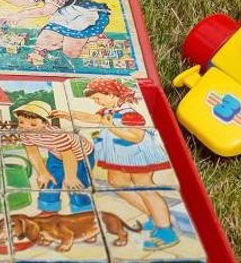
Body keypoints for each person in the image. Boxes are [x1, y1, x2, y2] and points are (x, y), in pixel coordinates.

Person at [55, 77, 177, 250]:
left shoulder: (130, 113)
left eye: (98, 98)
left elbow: (137, 137)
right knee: (116, 184)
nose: (96, 102)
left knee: (145, 188)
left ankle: (166, 231)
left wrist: (111, 127)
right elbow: (92, 118)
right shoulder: (108, 111)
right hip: (120, 155)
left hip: (137, 154)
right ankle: (154, 216)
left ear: (111, 94)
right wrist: (69, 114)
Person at [12, 100, 93, 214]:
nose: (26, 127)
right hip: (56, 155)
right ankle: (48, 210)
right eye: (21, 122)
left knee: (75, 184)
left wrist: (70, 176)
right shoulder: (24, 133)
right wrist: (43, 173)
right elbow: (33, 153)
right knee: (49, 181)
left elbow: (69, 157)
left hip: (80, 156)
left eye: (33, 124)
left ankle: (83, 211)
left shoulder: (57, 135)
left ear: (46, 124)